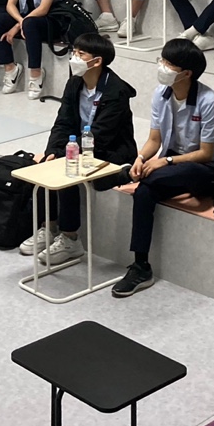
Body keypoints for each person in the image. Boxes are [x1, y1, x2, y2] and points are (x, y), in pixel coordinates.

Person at [113, 38, 214, 297]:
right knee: (144, 191)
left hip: (207, 170)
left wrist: (163, 162)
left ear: (186, 73)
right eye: (162, 60)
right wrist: (140, 159)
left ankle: (134, 176)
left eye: (168, 63)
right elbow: (154, 140)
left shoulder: (209, 101)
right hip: (169, 167)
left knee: (159, 176)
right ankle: (141, 266)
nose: (162, 66)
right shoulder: (161, 94)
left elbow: (206, 153)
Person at [20, 32, 138, 265]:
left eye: (80, 54)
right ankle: (48, 227)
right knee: (46, 163)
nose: (73, 57)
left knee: (68, 170)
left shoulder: (116, 91)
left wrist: (67, 155)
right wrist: (54, 150)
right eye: (74, 52)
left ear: (97, 61)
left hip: (110, 152)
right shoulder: (75, 82)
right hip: (78, 145)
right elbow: (63, 121)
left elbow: (102, 136)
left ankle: (71, 238)